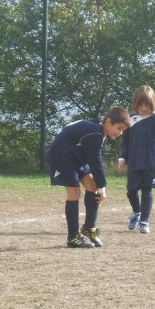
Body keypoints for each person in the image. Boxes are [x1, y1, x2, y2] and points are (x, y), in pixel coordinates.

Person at [45, 106, 131, 248]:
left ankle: (88, 228)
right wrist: (102, 186)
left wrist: (99, 185)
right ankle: (73, 237)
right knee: (74, 192)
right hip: (63, 157)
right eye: (119, 128)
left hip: (75, 156)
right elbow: (95, 162)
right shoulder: (95, 134)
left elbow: (92, 160)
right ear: (108, 122)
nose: (121, 133)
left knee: (92, 185)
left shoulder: (97, 130)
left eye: (123, 130)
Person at [117, 85, 155, 234]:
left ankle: (144, 221)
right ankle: (137, 212)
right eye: (140, 105)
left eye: (147, 105)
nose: (143, 108)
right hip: (134, 163)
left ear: (152, 104)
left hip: (151, 163)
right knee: (131, 190)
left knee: (147, 191)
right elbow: (125, 142)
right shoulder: (131, 120)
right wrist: (122, 157)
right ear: (135, 103)